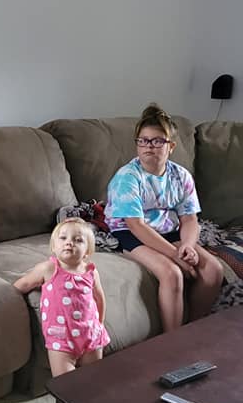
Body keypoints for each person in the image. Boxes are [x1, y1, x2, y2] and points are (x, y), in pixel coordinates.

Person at [105, 103, 224, 332]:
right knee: (172, 273)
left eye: (158, 141)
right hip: (131, 232)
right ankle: (173, 338)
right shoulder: (127, 178)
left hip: (168, 228)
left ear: (171, 146)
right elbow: (136, 225)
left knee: (213, 270)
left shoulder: (181, 176)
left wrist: (187, 246)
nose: (149, 146)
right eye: (143, 140)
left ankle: (192, 327)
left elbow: (189, 219)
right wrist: (174, 255)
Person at [14, 219, 109, 376]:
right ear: (53, 246)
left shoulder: (91, 271)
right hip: (61, 337)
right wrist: (8, 297)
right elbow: (23, 284)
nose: (69, 243)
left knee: (93, 379)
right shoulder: (48, 268)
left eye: (78, 240)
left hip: (91, 334)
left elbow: (99, 298)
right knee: (65, 382)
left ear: (87, 251)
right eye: (63, 238)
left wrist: (100, 324)